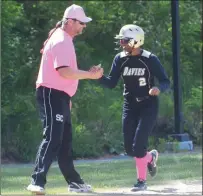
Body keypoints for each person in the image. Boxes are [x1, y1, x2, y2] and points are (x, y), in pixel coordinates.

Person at [27, 4, 103, 195]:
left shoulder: (65, 38)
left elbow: (63, 74)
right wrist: (90, 75)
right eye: (81, 22)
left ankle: (74, 182)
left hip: (58, 95)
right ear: (70, 21)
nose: (84, 26)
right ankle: (37, 181)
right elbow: (64, 71)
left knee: (65, 140)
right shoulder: (61, 40)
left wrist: (66, 95)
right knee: (52, 137)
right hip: (52, 93)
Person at [93, 24, 170, 191]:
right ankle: (150, 157)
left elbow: (165, 81)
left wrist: (158, 89)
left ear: (137, 40)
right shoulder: (120, 58)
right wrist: (98, 77)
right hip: (130, 105)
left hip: (148, 104)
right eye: (121, 40)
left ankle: (141, 181)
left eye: (125, 40)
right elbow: (112, 83)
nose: (122, 44)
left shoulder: (150, 59)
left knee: (138, 144)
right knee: (130, 148)